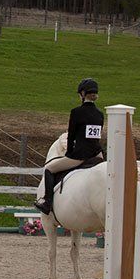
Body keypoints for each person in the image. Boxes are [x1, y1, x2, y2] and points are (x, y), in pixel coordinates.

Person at [34, 78, 104, 215]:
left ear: (83, 94)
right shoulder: (100, 114)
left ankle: (47, 203)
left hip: (81, 155)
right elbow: (95, 136)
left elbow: (71, 136)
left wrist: (69, 153)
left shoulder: (76, 112)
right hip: (97, 155)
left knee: (49, 169)